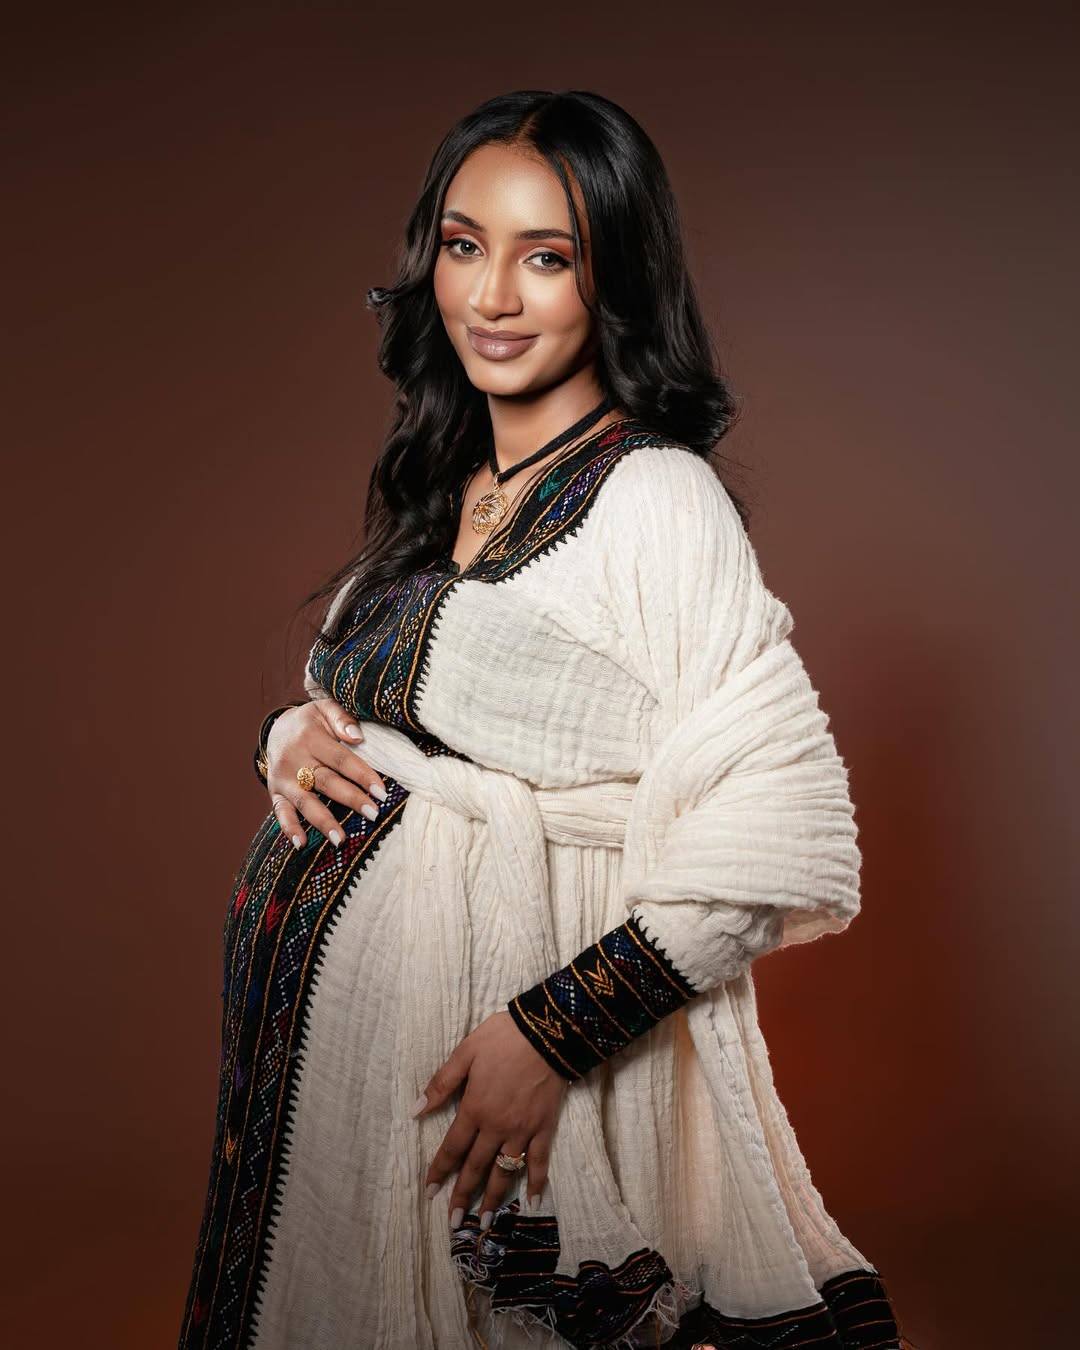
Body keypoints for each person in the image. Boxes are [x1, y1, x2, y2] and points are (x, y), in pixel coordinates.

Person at [178, 89, 912, 1350]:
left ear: (613, 278)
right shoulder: (443, 490)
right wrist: (282, 740)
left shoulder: (658, 498)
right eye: (465, 247)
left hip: (525, 1089)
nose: (493, 297)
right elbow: (378, 705)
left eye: (547, 257)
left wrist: (547, 1033)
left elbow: (779, 819)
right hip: (346, 1120)